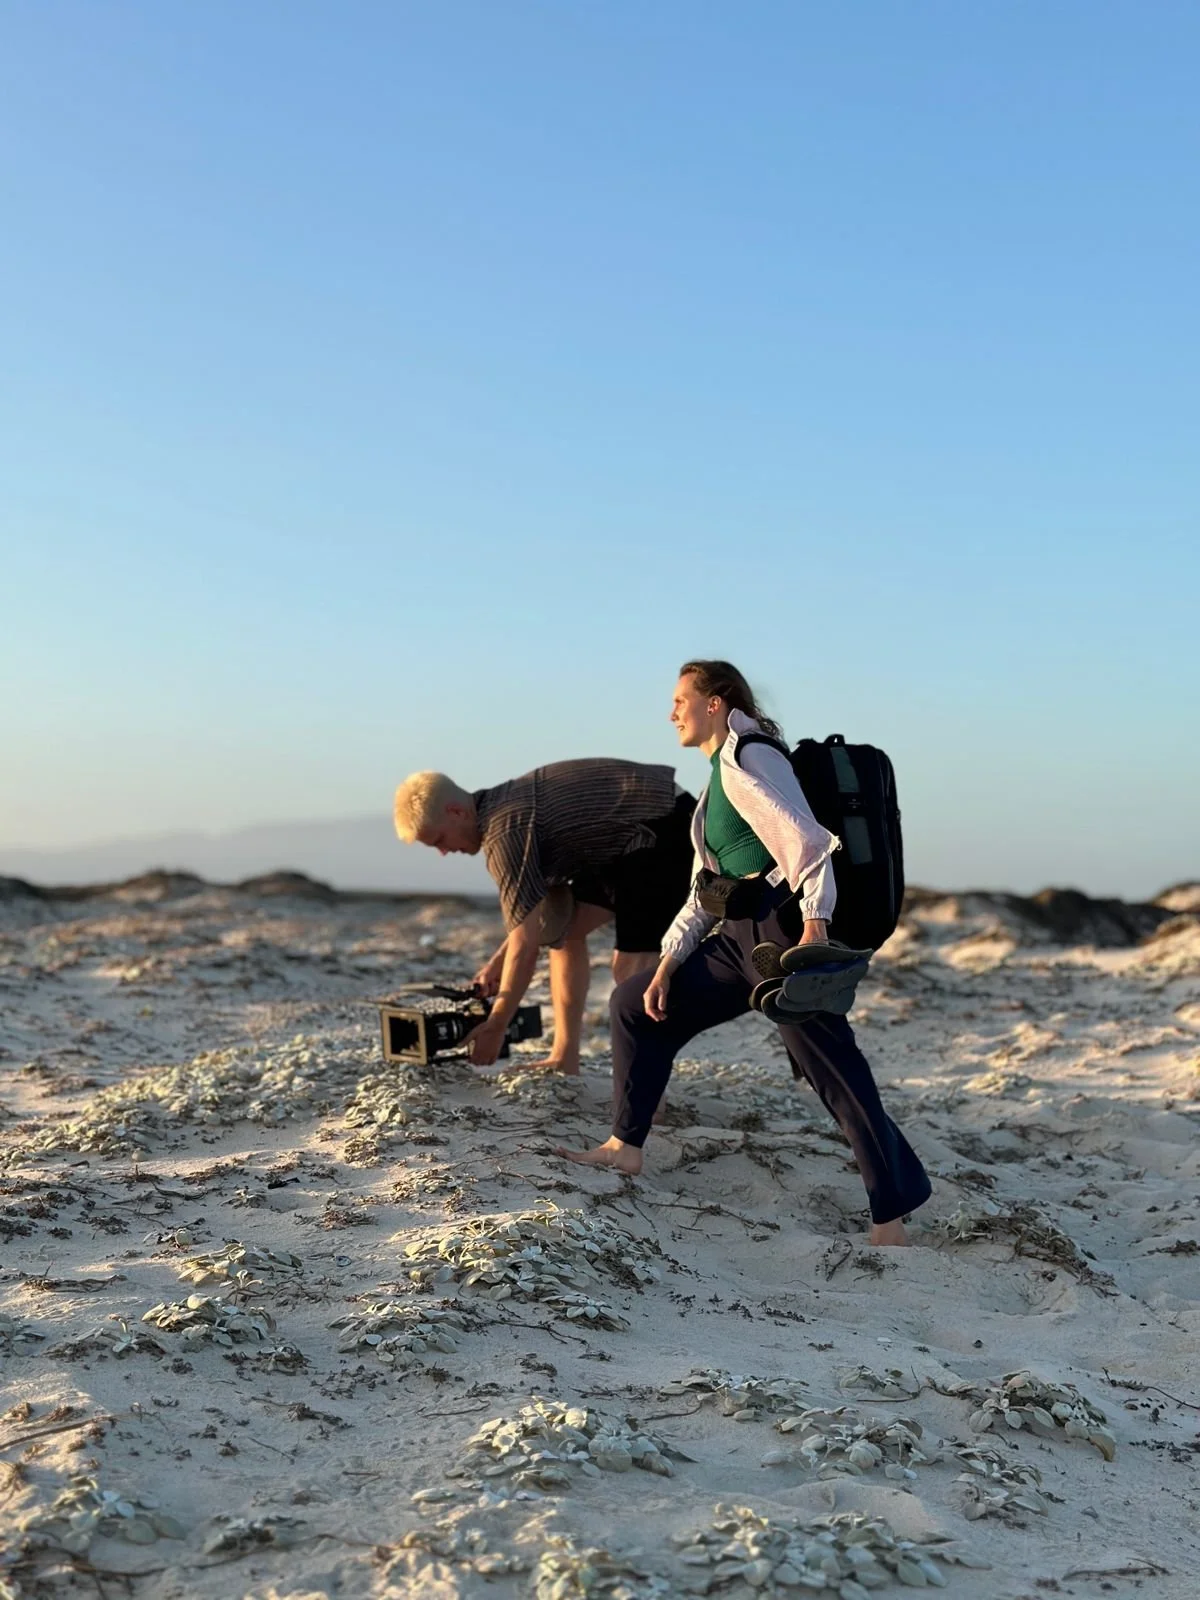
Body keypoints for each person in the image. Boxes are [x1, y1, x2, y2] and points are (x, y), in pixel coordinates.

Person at [558, 660, 931, 1246]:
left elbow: (808, 843)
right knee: (635, 1003)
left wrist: (815, 927)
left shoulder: (753, 757)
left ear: (716, 702)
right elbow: (705, 891)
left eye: (681, 699)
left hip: (781, 938)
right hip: (737, 940)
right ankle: (623, 1147)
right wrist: (668, 963)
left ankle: (891, 1218)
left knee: (831, 1069)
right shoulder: (717, 777)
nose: (671, 711)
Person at [393, 761, 695, 1072]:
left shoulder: (506, 832)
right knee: (564, 932)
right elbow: (536, 920)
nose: (442, 852)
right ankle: (564, 1058)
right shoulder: (501, 813)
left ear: (457, 812)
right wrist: (496, 964)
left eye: (439, 840)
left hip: (664, 824)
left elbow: (525, 948)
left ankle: (648, 1096)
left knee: (630, 971)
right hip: (623, 840)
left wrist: (496, 1027)